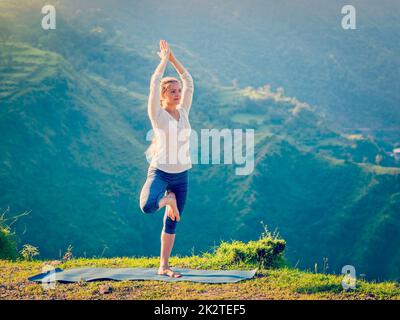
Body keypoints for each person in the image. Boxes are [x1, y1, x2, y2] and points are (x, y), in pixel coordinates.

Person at [139, 40, 194, 278]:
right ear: (163, 95)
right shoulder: (157, 115)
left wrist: (173, 59)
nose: (178, 93)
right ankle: (168, 199)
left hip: (181, 175)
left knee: (172, 222)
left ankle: (163, 265)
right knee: (148, 206)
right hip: (160, 172)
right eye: (173, 91)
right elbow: (153, 84)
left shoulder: (183, 112)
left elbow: (189, 82)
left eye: (178, 91)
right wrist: (163, 61)